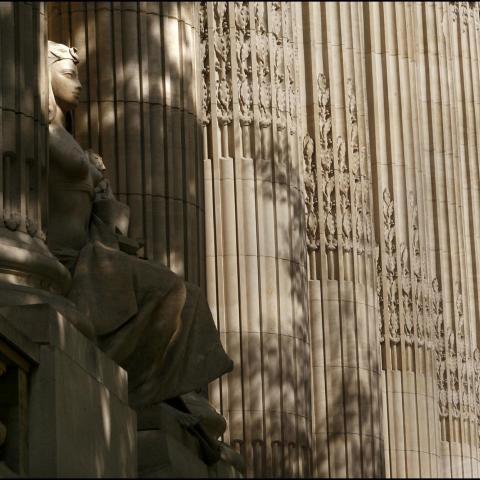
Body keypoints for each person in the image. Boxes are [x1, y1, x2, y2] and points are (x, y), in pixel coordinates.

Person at [46, 41, 233, 421]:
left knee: (186, 297)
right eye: (68, 75)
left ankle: (164, 391)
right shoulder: (41, 132)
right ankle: (151, 387)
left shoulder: (69, 141)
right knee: (180, 295)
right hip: (69, 264)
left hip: (95, 256)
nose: (79, 84)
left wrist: (104, 192)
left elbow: (112, 225)